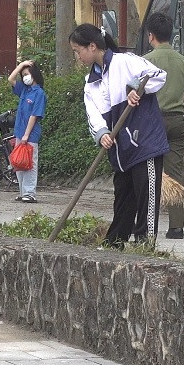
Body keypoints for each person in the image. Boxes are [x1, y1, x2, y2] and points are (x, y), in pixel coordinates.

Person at [69, 24, 168, 246]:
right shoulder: (90, 83)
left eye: (78, 51)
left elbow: (158, 75)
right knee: (123, 196)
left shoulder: (126, 61)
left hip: (144, 141)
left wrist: (136, 88)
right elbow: (93, 113)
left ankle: (145, 243)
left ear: (92, 46)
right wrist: (102, 133)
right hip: (120, 149)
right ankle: (115, 242)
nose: (78, 56)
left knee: (146, 196)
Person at [142, 12, 184, 239]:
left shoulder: (145, 61)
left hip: (152, 122)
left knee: (148, 173)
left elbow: (137, 93)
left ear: (150, 35)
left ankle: (147, 224)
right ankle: (176, 227)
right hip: (176, 121)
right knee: (175, 173)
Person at [7, 60, 46, 203]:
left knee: (30, 163)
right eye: (23, 75)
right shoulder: (25, 90)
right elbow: (11, 79)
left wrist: (26, 135)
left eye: (26, 74)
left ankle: (30, 193)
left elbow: (34, 116)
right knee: (19, 162)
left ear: (34, 75)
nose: (24, 77)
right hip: (19, 132)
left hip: (30, 134)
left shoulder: (39, 93)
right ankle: (23, 192)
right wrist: (20, 65)